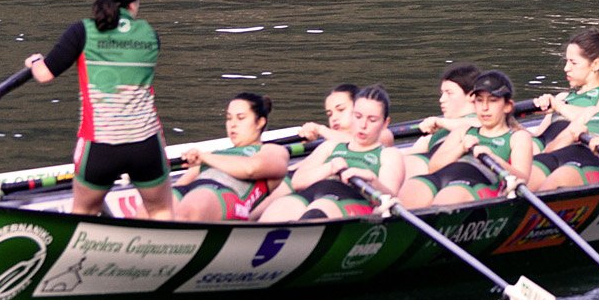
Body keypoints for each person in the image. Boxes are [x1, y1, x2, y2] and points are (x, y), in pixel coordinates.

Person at [25, 0, 172, 220]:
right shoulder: (151, 36)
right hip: (146, 144)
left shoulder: (81, 33)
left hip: (100, 146)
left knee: (84, 212)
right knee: (161, 211)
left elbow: (45, 74)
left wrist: (35, 62)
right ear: (132, 4)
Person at [258, 84, 403, 222]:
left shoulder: (389, 154)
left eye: (372, 120)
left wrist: (371, 179)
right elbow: (298, 182)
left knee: (321, 207)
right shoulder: (330, 146)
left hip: (349, 199)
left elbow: (390, 197)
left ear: (385, 123)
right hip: (312, 192)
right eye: (358, 117)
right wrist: (330, 168)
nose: (363, 125)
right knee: (281, 207)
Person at [411, 71, 536, 206]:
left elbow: (522, 179)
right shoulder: (463, 131)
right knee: (413, 186)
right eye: (479, 100)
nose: (485, 108)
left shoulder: (518, 137)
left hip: (475, 184)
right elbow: (433, 167)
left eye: (493, 101)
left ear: (507, 106)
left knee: (450, 195)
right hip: (441, 177)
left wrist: (493, 158)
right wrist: (461, 148)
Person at [173, 93, 291, 221]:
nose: (232, 124)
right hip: (194, 190)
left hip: (226, 196)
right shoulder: (215, 155)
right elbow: (180, 185)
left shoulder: (272, 150)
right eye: (229, 118)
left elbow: (251, 169)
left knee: (190, 208)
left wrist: (204, 157)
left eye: (241, 118)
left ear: (260, 122)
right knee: (156, 203)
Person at [531, 29, 599, 147]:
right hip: (545, 150)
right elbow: (539, 137)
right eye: (566, 61)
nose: (566, 68)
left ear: (595, 64)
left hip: (576, 153)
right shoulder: (562, 97)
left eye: (573, 63)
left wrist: (557, 106)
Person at [400, 63, 481, 188]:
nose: (442, 99)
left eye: (449, 93)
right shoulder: (439, 131)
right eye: (442, 93)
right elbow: (409, 153)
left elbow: (478, 125)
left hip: (455, 173)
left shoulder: (482, 120)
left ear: (472, 96)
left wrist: (440, 122)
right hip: (426, 170)